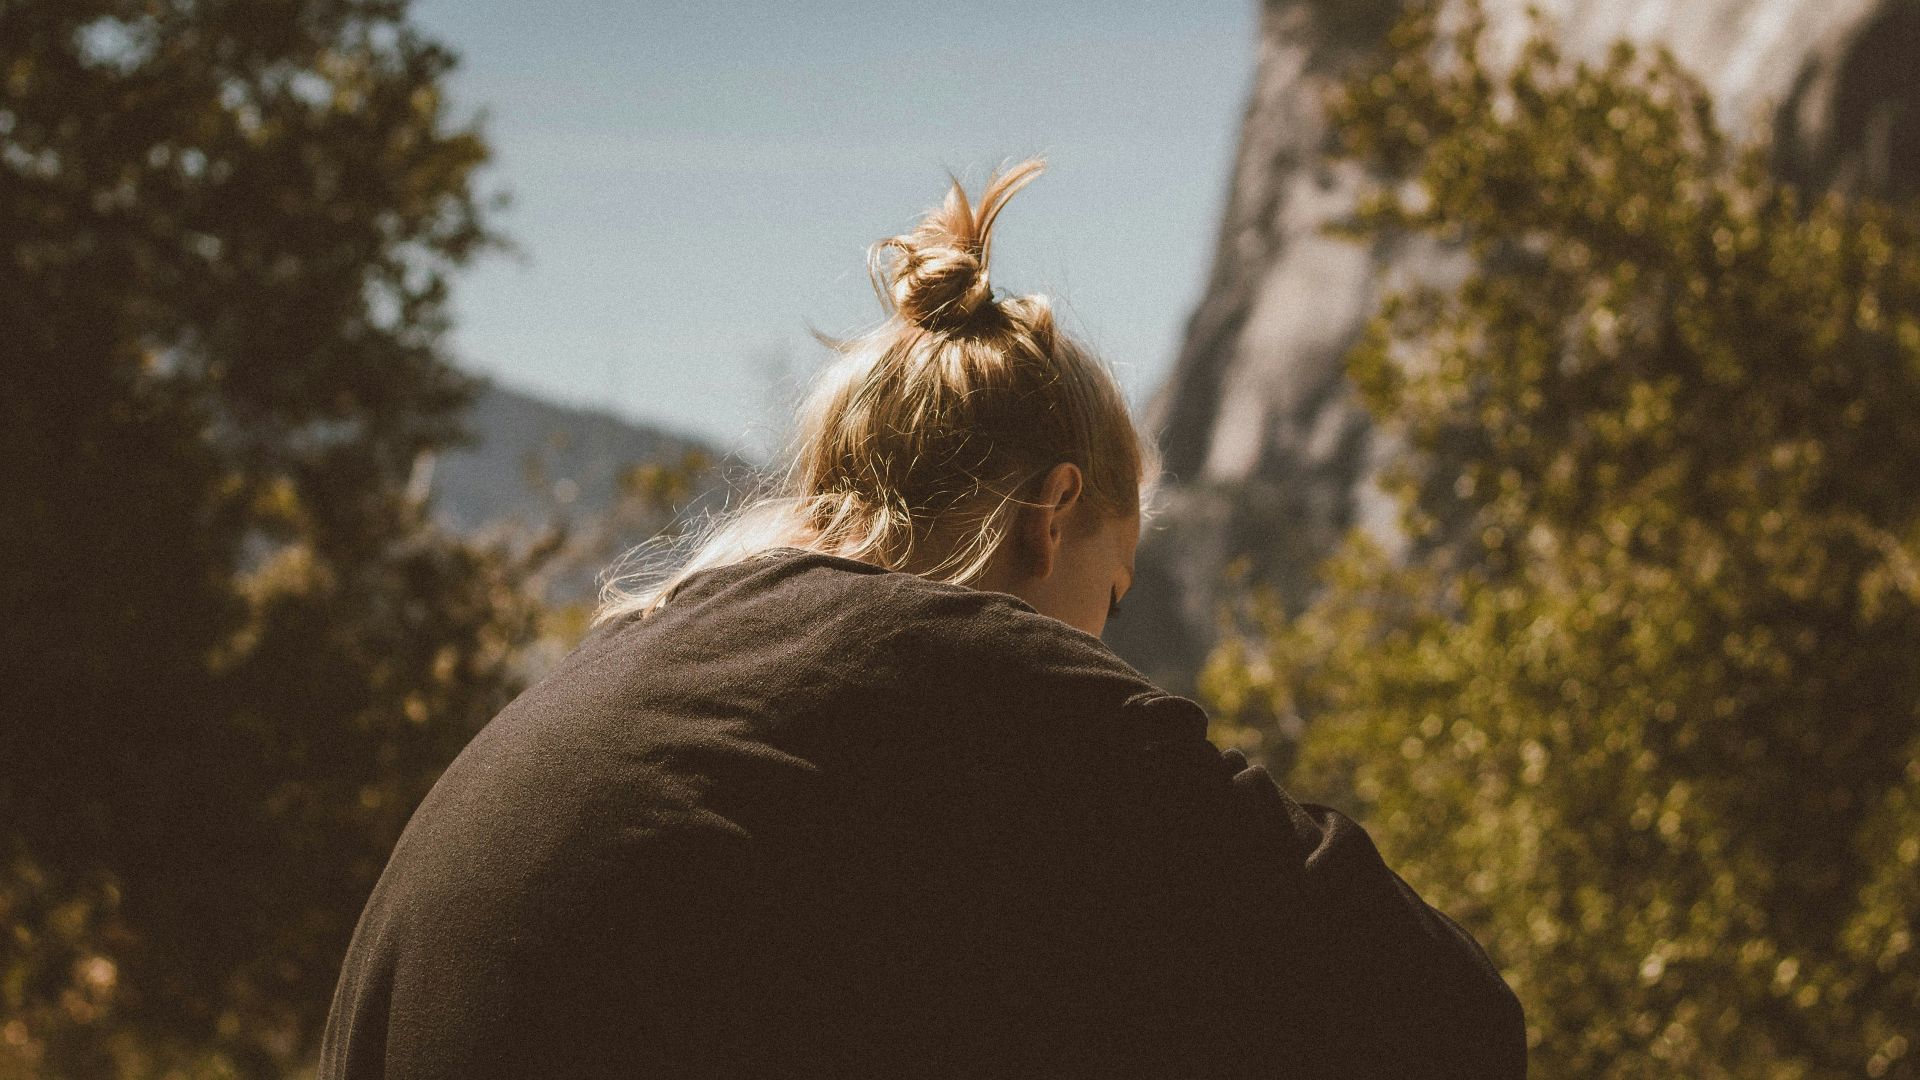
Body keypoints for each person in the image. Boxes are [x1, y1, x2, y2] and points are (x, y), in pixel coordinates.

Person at [317, 158, 1527, 1079]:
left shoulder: (642, 678)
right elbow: (1447, 1019)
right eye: (1107, 600)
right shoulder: (972, 670)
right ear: (1050, 519)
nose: (1092, 648)